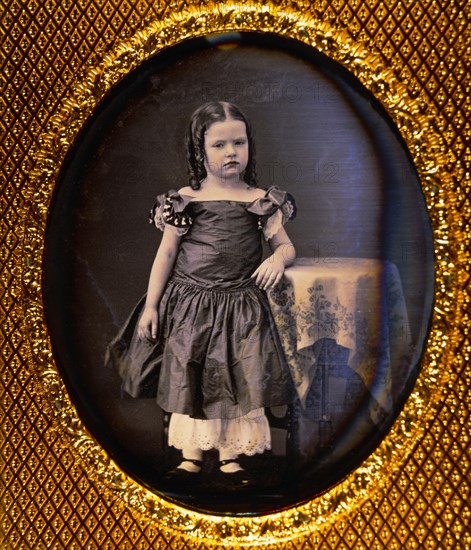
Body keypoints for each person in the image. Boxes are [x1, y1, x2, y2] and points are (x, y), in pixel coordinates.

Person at [106, 101, 296, 488]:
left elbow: (288, 247)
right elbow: (167, 253)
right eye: (219, 145)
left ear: (248, 146)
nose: (231, 153)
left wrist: (278, 257)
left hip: (240, 306)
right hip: (191, 305)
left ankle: (230, 459)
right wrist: (152, 306)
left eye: (239, 143)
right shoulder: (184, 200)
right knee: (190, 374)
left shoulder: (260, 200)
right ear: (199, 150)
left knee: (236, 375)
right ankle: (190, 457)